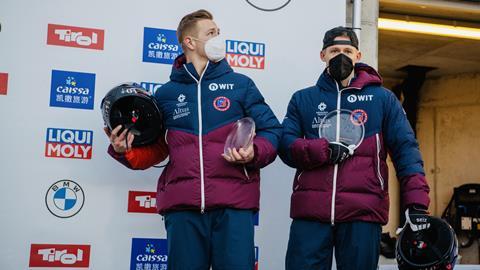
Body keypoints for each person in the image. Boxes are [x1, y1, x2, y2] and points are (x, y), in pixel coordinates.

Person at [104, 9, 282, 270]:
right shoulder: (166, 94)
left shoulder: (241, 85)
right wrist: (124, 151)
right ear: (189, 42)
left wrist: (253, 152)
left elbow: (272, 131)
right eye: (211, 33)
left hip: (233, 206)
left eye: (218, 33)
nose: (218, 38)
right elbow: (158, 150)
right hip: (182, 209)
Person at [279, 26, 430, 270]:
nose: (341, 56)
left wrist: (417, 202)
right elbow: (286, 145)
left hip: (363, 212)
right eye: (334, 50)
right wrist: (323, 150)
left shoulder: (382, 99)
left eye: (347, 50)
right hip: (311, 213)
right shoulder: (303, 99)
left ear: (358, 56)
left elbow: (406, 150)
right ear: (323, 55)